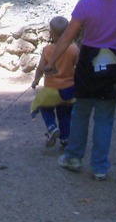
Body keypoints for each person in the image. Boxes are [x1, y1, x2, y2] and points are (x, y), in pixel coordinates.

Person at [45, 0, 116, 181]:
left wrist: (51, 62)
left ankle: (74, 158)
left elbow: (66, 38)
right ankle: (100, 167)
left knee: (81, 113)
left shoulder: (85, 5)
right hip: (115, 64)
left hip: (88, 64)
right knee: (105, 118)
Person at [30, 16, 79, 148]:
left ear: (51, 33)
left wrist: (36, 80)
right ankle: (65, 139)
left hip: (52, 89)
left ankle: (52, 127)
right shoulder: (74, 49)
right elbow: (79, 66)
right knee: (65, 115)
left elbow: (40, 68)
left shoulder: (47, 50)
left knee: (45, 107)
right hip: (69, 88)